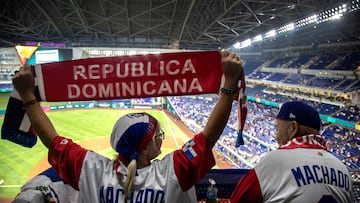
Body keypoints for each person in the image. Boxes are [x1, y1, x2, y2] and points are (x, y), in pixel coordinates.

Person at [12, 50, 244, 203]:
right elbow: (210, 135)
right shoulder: (171, 172)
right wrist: (229, 83)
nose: (162, 138)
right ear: (145, 148)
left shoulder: (91, 169)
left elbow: (51, 139)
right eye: (158, 135)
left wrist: (26, 94)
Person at [230, 101, 354, 203]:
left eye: (277, 128)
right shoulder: (343, 168)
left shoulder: (276, 160)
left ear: (293, 128)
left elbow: (238, 199)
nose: (275, 136)